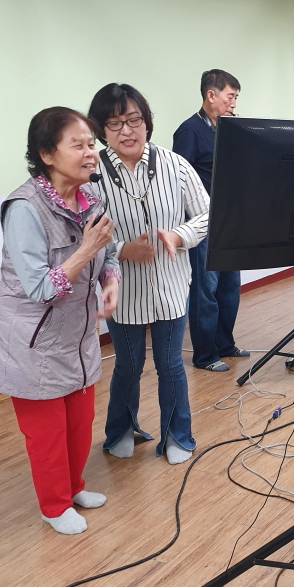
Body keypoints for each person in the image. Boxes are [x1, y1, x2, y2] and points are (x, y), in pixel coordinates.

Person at [0, 107, 120, 535]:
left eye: (92, 144)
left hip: (77, 336)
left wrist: (110, 281)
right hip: (33, 342)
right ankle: (54, 506)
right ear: (46, 154)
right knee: (47, 434)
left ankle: (74, 488)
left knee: (79, 423)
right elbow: (42, 288)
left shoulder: (92, 199)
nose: (91, 153)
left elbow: (109, 254)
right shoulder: (24, 209)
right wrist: (86, 250)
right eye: (78, 145)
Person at [88, 83, 210, 465]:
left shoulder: (175, 165)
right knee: (128, 366)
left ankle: (178, 436)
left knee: (170, 365)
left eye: (134, 120)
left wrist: (178, 235)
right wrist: (123, 249)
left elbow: (208, 214)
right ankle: (121, 431)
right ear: (101, 130)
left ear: (146, 121)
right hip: (122, 291)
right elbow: (82, 233)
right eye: (114, 124)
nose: (126, 131)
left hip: (171, 285)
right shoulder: (93, 175)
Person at [173, 69, 249, 372]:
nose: (234, 103)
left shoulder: (228, 129)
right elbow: (179, 180)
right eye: (230, 96)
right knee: (206, 292)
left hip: (231, 221)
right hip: (203, 224)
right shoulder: (189, 131)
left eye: (236, 98)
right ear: (211, 95)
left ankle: (225, 345)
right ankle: (205, 355)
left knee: (229, 288)